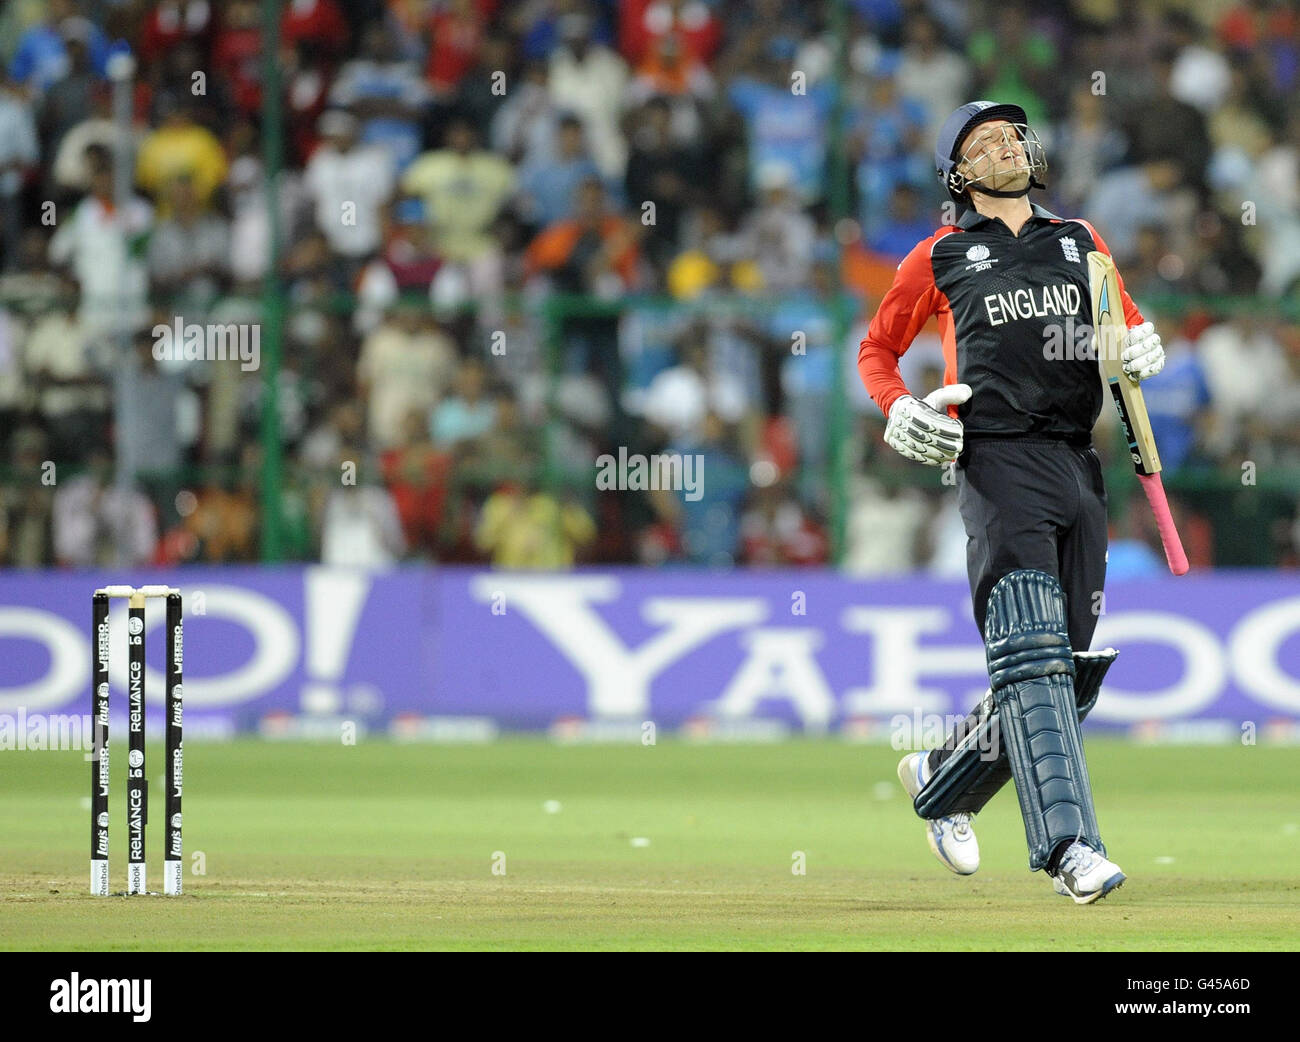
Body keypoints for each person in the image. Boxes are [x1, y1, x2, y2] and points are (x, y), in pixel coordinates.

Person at [858, 101, 1168, 904]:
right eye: (982, 143)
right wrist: (899, 408)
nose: (1004, 147)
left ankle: (941, 780)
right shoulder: (941, 255)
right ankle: (1070, 850)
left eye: (1011, 136)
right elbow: (877, 348)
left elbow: (1119, 334)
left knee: (1063, 672)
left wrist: (1140, 342)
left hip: (1077, 457)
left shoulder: (1083, 242)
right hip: (996, 458)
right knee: (1032, 656)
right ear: (958, 175)